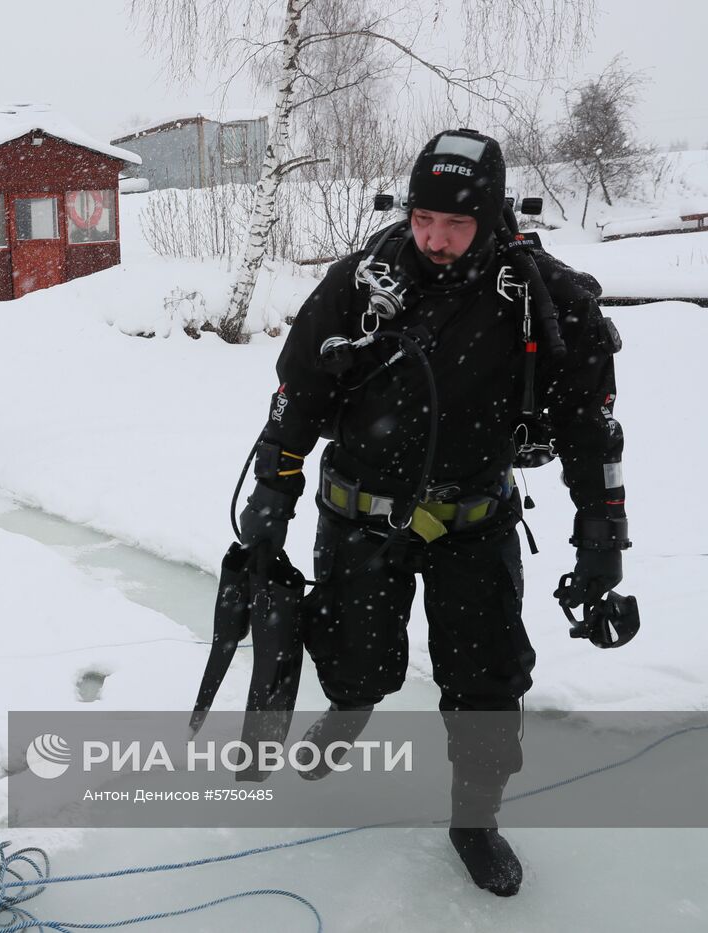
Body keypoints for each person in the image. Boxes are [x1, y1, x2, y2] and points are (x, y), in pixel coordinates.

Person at [233, 129, 629, 896]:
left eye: (456, 225)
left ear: (491, 217)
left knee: (486, 684)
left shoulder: (542, 300)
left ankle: (474, 818)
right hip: (360, 519)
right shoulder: (359, 284)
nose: (436, 241)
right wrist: (272, 490)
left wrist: (602, 536)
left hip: (473, 527)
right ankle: (349, 709)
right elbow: (296, 400)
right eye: (423, 220)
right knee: (352, 655)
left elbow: (591, 428)